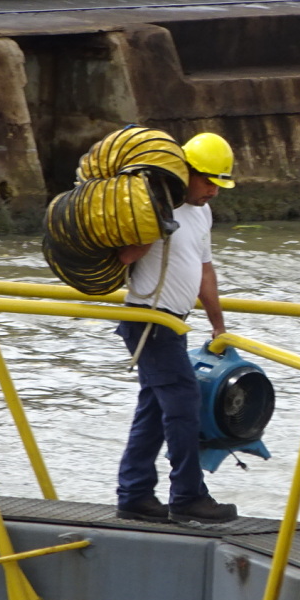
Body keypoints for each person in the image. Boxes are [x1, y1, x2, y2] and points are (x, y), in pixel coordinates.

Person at [113, 132, 239, 525]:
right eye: (208, 182)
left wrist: (219, 327)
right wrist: (149, 233)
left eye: (220, 184)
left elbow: (204, 271)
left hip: (173, 324)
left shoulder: (201, 213)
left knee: (154, 410)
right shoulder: (152, 208)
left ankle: (134, 493)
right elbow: (122, 258)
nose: (213, 192)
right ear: (185, 173)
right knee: (184, 403)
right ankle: (187, 495)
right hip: (148, 320)